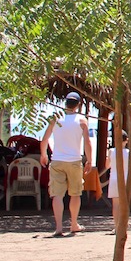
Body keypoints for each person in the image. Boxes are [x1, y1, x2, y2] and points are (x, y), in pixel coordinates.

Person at [39, 92, 93, 237]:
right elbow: (87, 142)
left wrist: (44, 155)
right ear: (78, 105)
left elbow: (44, 140)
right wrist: (89, 160)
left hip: (57, 160)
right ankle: (74, 224)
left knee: (57, 195)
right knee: (75, 194)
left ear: (65, 103)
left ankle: (58, 227)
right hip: (74, 161)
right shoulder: (82, 120)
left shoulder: (56, 118)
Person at [106, 130, 131, 226]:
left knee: (116, 204)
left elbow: (107, 165)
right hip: (126, 179)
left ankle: (117, 226)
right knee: (124, 204)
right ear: (126, 140)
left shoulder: (111, 151)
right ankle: (123, 225)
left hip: (114, 179)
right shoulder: (129, 152)